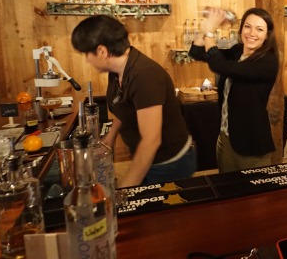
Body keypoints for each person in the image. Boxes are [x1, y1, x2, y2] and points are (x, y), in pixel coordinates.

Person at [71, 14, 196, 187]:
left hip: (168, 162)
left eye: (86, 53)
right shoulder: (117, 70)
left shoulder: (145, 76)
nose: (86, 59)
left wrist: (126, 187)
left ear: (102, 51)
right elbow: (124, 106)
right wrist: (111, 136)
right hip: (147, 158)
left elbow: (151, 141)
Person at [189, 7, 279, 173]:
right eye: (247, 26)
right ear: (241, 28)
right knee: (227, 192)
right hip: (225, 140)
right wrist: (206, 27)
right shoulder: (237, 51)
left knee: (253, 196)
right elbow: (198, 52)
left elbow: (218, 64)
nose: (252, 33)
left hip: (251, 145)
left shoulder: (268, 62)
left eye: (259, 29)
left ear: (267, 35)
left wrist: (210, 33)